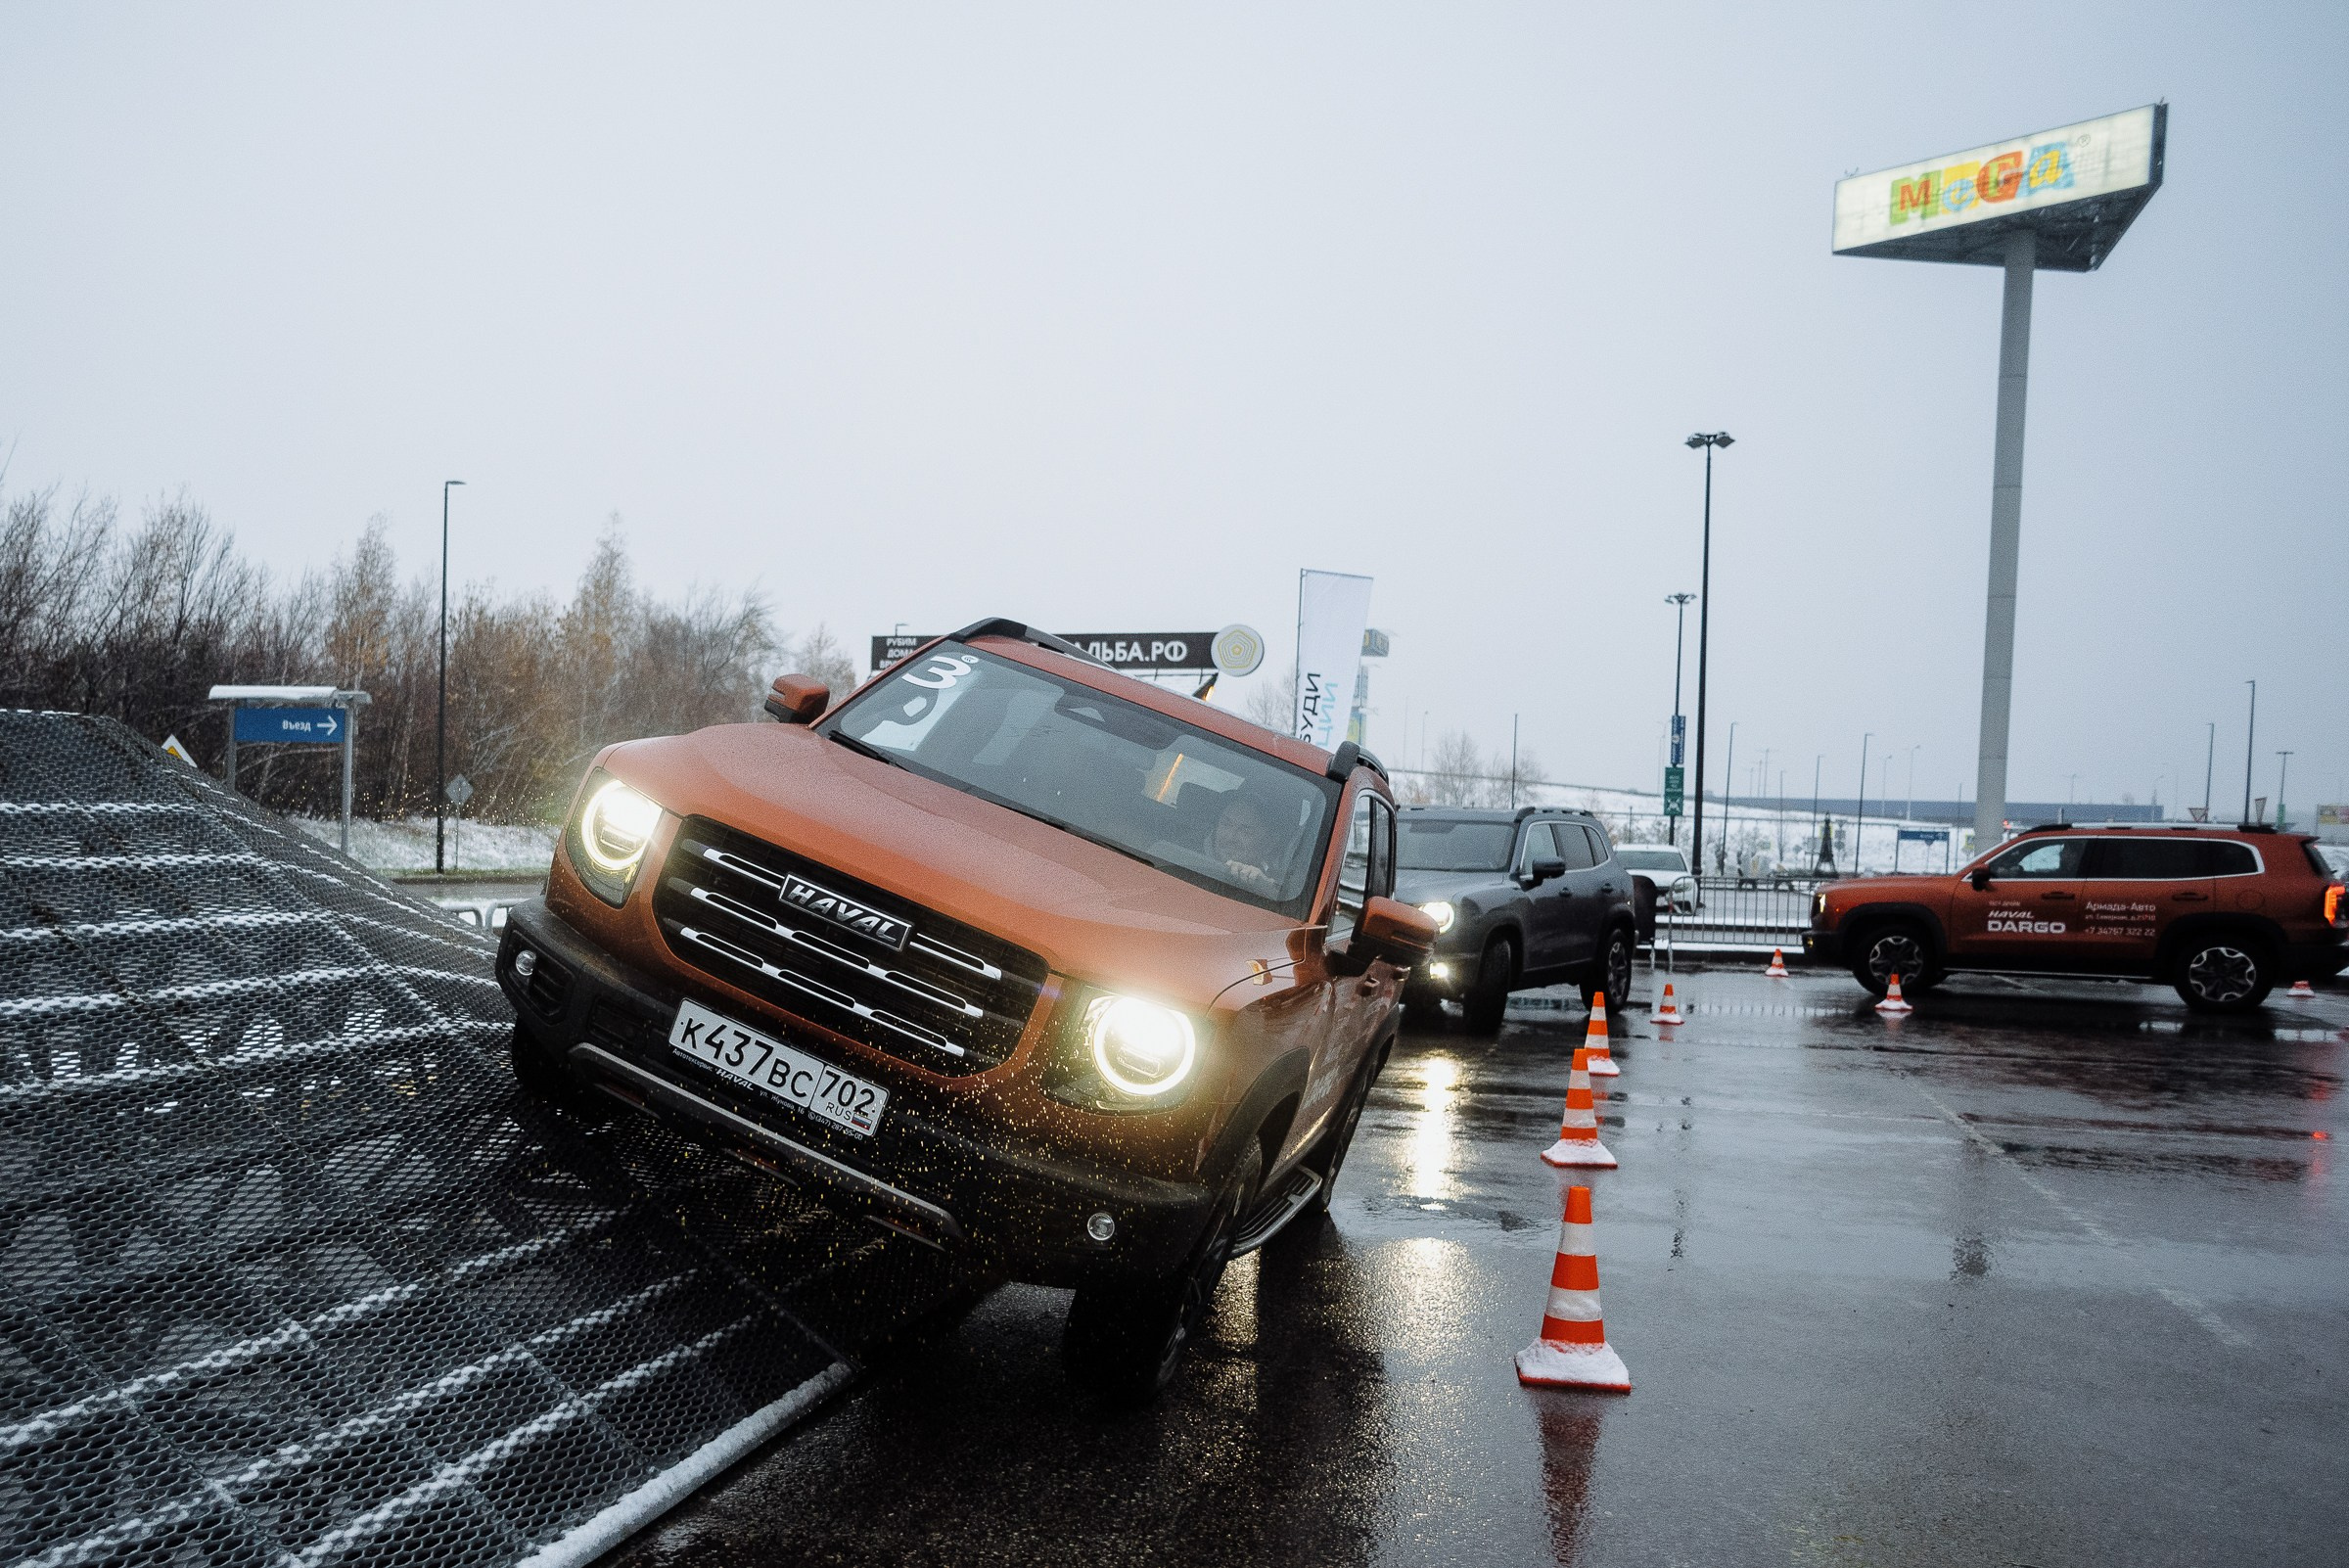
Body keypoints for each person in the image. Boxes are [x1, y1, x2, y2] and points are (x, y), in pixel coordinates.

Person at [1209, 793, 1282, 895]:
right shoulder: (1184, 850)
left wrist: (1267, 888)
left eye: (1245, 831)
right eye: (1226, 824)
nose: (1230, 837)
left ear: (1269, 844)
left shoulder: (1279, 886)